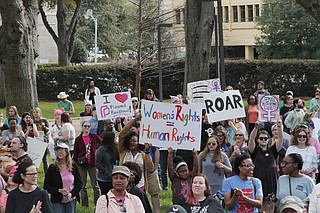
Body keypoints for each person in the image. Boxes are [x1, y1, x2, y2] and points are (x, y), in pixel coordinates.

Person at [248, 120, 283, 213]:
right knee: (260, 204)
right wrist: (256, 128)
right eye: (261, 138)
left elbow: (280, 139)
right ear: (258, 140)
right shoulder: (255, 151)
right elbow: (251, 140)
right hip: (258, 178)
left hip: (271, 179)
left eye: (265, 138)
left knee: (270, 204)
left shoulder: (273, 150)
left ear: (268, 139)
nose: (263, 140)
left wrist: (279, 127)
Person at [118, 116, 154, 191]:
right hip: (124, 187)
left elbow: (150, 168)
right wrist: (135, 120)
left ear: (139, 142)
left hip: (140, 187)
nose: (132, 143)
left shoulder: (143, 155)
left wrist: (147, 152)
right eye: (130, 141)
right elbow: (122, 134)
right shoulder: (123, 152)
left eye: (134, 141)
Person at [44, 143, 82, 213]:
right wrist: (59, 190)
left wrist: (71, 194)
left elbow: (79, 184)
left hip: (71, 200)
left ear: (67, 152)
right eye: (58, 150)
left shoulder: (73, 166)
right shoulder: (52, 168)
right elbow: (46, 186)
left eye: (62, 150)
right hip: (57, 201)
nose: (59, 152)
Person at [73, 121, 102, 207]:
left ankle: (98, 204)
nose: (87, 128)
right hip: (82, 165)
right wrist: (74, 164)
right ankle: (84, 204)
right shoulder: (78, 139)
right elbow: (75, 152)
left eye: (88, 126)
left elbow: (102, 142)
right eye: (85, 126)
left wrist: (97, 151)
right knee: (83, 186)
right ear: (82, 127)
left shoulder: (93, 137)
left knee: (95, 185)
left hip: (92, 164)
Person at [32, 107, 50, 173]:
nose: (35, 114)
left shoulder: (44, 121)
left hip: (43, 140)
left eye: (37, 112)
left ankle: (47, 173)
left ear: (40, 113)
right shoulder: (32, 121)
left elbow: (48, 130)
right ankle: (34, 172)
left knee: (44, 159)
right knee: (36, 159)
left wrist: (44, 126)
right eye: (34, 112)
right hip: (35, 141)